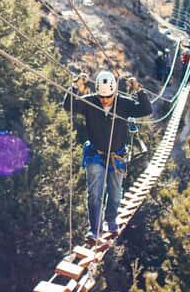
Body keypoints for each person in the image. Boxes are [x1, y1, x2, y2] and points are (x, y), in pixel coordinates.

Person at [64, 70, 152, 244]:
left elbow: (146, 109)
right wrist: (75, 87)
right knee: (94, 194)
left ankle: (110, 220)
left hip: (117, 155)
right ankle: (94, 230)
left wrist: (139, 91)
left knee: (115, 193)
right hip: (95, 154)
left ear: (114, 92)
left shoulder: (123, 103)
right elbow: (69, 106)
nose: (105, 100)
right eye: (102, 97)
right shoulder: (90, 102)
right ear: (97, 92)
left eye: (109, 96)